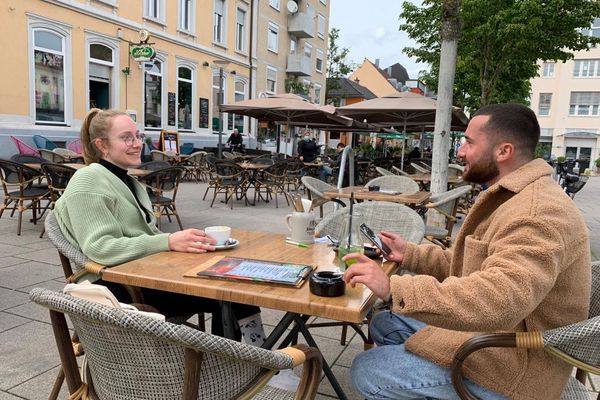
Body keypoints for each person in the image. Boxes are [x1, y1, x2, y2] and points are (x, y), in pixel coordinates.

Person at [342, 103, 590, 399]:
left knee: (368, 370)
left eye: (469, 143)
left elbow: (499, 299)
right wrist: (410, 255)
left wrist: (393, 288)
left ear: (503, 151)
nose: (459, 152)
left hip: (515, 368)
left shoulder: (537, 213)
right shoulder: (515, 196)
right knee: (386, 322)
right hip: (496, 337)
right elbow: (473, 266)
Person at [54, 109, 267, 345]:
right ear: (102, 145)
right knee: (226, 293)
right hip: (117, 289)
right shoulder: (89, 180)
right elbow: (100, 248)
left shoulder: (126, 179)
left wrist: (180, 243)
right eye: (126, 138)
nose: (137, 144)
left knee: (230, 281)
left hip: (141, 275)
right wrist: (168, 241)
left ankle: (252, 356)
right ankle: (240, 364)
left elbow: (144, 237)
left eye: (138, 136)